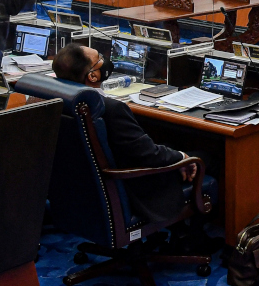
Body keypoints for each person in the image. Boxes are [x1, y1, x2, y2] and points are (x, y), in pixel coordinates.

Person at [51, 43, 197, 223]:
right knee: (205, 158)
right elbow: (148, 154)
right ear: (93, 75)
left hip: (81, 192)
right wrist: (182, 157)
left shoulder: (59, 100)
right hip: (133, 191)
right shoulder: (112, 110)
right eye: (100, 59)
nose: (105, 61)